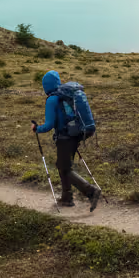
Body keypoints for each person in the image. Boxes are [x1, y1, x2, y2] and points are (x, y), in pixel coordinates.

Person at [31, 70, 102, 210]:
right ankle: (66, 198)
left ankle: (91, 191)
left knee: (63, 168)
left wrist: (36, 129)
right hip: (77, 134)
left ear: (45, 85)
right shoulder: (66, 95)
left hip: (65, 137)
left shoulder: (52, 99)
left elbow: (49, 125)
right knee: (64, 166)